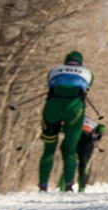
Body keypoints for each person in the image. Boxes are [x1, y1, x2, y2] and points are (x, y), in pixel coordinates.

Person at [38, 51, 94, 192]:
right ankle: (69, 184)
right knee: (70, 150)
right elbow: (86, 89)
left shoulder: (54, 70)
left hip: (52, 108)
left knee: (49, 149)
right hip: (75, 111)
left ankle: (43, 184)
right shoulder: (87, 73)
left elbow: (50, 85)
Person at [75, 116, 106, 192]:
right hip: (87, 146)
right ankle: (81, 187)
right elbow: (97, 137)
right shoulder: (93, 125)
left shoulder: (74, 122)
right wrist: (101, 132)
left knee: (71, 164)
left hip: (76, 144)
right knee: (83, 166)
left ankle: (67, 185)